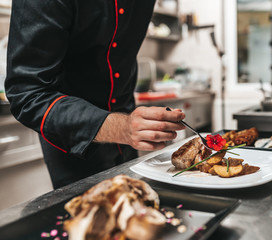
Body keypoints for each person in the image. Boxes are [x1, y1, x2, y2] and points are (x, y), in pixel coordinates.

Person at [5, 0, 185, 189]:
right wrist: (121, 128)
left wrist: (130, 128)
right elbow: (27, 92)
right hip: (73, 141)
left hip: (128, 134)